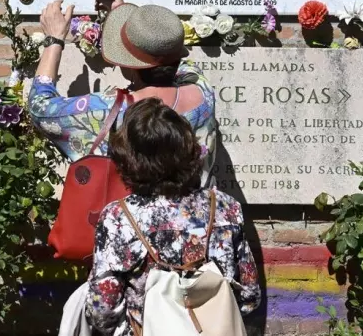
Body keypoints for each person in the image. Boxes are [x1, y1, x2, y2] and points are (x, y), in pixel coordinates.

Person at [85, 98, 260, 335]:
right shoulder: (225, 208)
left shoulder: (118, 218)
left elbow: (102, 311)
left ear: (129, 159)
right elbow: (249, 296)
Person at [27, 0, 217, 188]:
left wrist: (54, 40)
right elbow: (176, 62)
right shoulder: (203, 93)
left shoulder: (105, 109)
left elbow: (41, 107)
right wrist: (139, 32)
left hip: (128, 218)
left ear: (131, 66)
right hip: (197, 216)